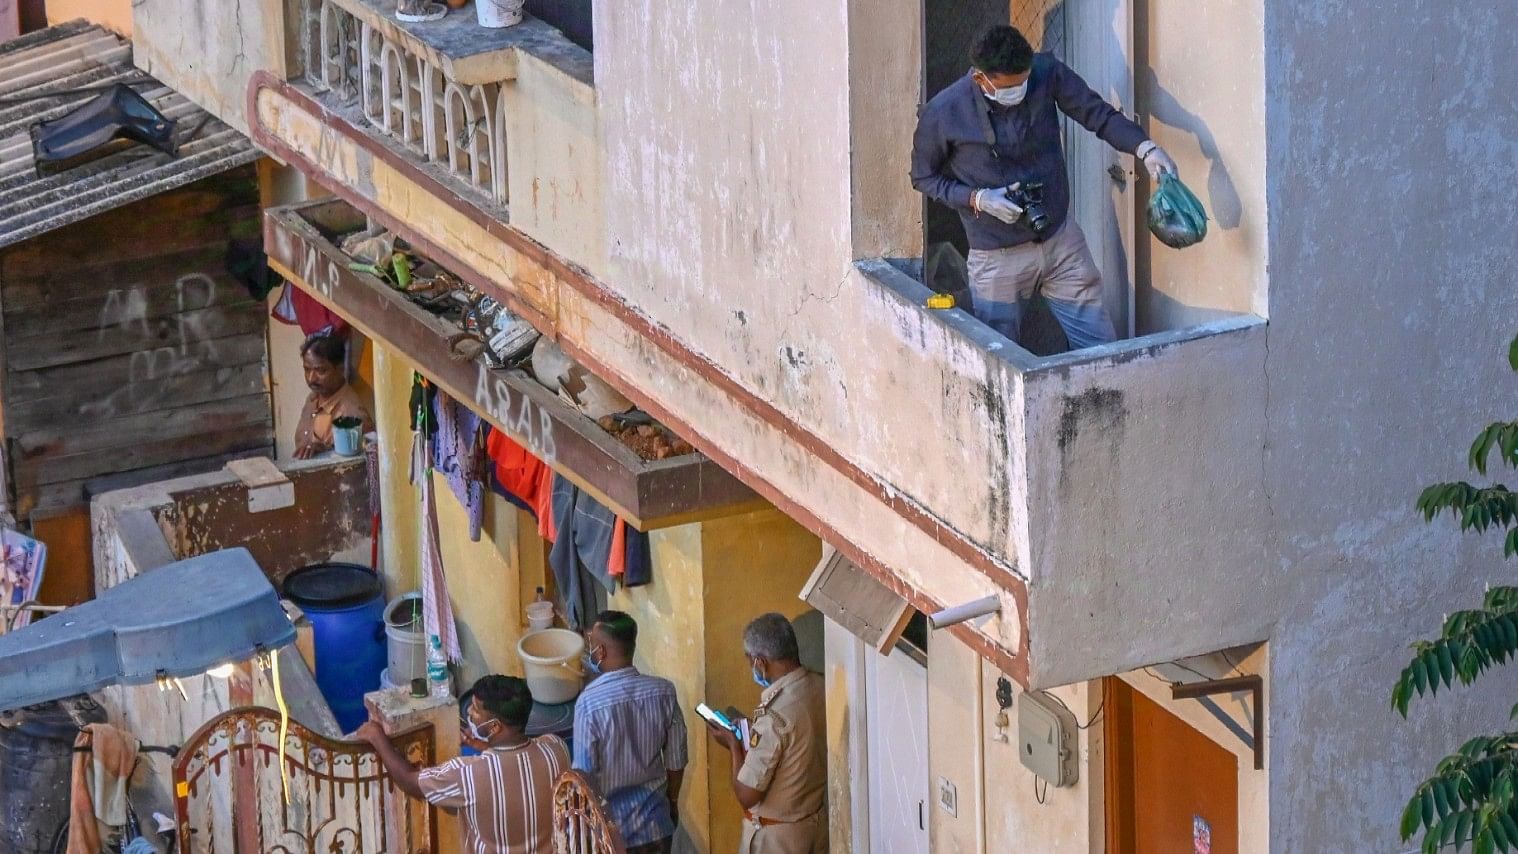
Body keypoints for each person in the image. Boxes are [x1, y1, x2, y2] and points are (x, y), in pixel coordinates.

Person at [910, 25, 1178, 351]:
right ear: (982, 79)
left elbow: (1098, 115)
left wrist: (1145, 149)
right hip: (996, 257)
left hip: (1061, 241)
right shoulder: (944, 112)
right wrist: (977, 198)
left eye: (1025, 81)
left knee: (1101, 351)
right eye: (1011, 86)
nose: (1021, 90)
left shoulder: (1045, 72)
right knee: (999, 359)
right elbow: (923, 178)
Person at [357, 675, 568, 854]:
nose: (470, 714)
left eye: (476, 711)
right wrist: (479, 744)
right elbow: (515, 763)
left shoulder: (468, 775)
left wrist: (378, 739)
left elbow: (410, 781)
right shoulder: (556, 749)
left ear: (494, 726)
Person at [706, 613, 827, 854]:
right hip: (814, 825)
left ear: (760, 662)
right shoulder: (819, 685)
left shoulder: (773, 717)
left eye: (751, 661)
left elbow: (746, 795)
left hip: (777, 840)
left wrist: (733, 745)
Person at [572, 610, 688, 854]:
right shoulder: (664, 692)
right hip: (656, 826)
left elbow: (584, 776)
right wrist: (672, 802)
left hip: (610, 835)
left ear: (600, 651)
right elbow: (677, 760)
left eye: (591, 644)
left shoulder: (589, 703)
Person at [293, 331, 372, 459]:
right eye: (307, 370)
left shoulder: (351, 413)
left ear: (340, 369)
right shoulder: (313, 398)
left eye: (320, 371)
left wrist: (326, 451)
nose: (311, 378)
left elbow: (365, 461)